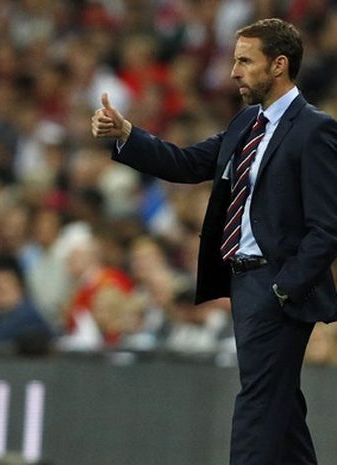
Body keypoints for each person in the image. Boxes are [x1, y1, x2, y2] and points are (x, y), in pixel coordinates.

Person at [92, 18, 337, 465]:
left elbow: (328, 226)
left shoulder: (314, 130)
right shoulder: (246, 122)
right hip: (245, 285)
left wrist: (285, 287)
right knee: (279, 408)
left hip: (276, 288)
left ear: (279, 65)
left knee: (256, 404)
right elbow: (187, 164)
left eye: (245, 60)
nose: (233, 71)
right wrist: (127, 134)